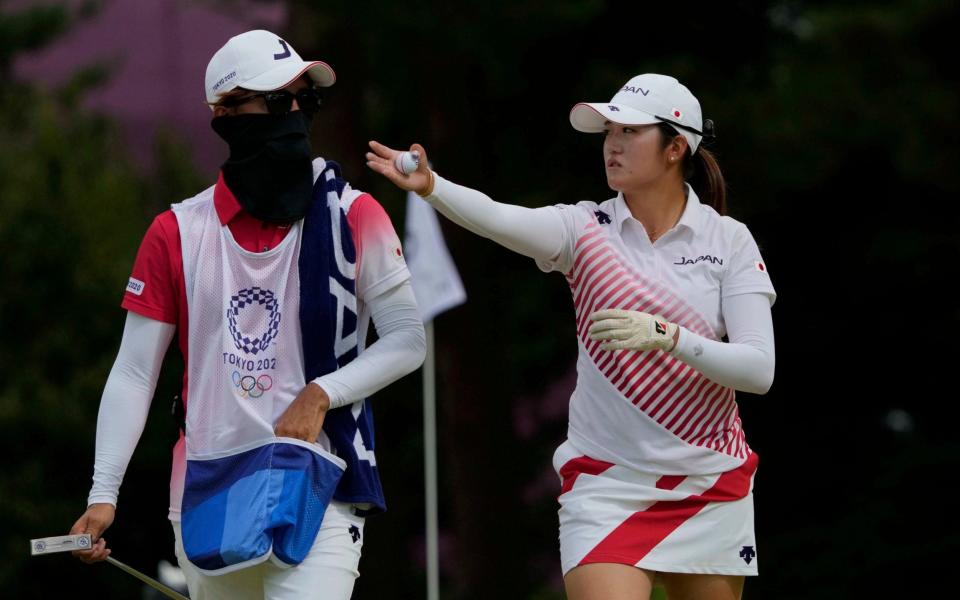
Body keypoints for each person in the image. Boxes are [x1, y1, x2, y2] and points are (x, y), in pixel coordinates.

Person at [367, 73, 775, 600]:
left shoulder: (729, 240)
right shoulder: (584, 230)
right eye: (609, 132)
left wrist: (670, 337)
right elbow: (499, 219)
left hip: (709, 481)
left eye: (629, 132)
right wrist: (432, 186)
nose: (612, 144)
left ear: (676, 147)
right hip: (607, 483)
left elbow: (758, 370)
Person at [69, 29, 425, 600]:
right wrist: (101, 493)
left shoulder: (355, 213)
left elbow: (408, 338)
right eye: (278, 102)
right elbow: (136, 372)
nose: (295, 117)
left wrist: (322, 393)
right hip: (208, 493)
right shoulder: (175, 232)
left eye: (302, 102)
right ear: (226, 114)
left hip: (320, 485)